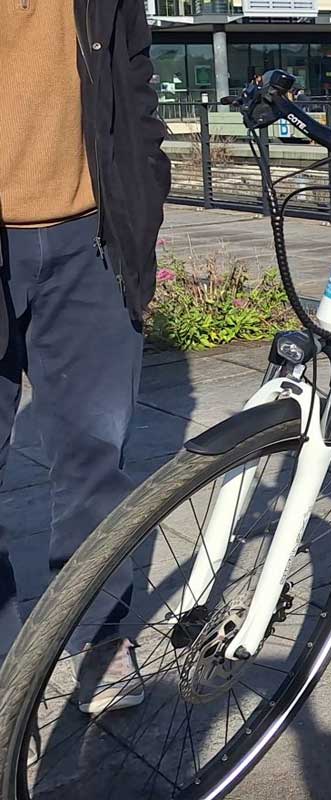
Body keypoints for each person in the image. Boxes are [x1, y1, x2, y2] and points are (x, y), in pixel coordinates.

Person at [0, 0, 171, 712]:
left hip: (90, 238)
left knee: (96, 458)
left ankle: (99, 640)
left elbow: (132, 85)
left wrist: (142, 206)